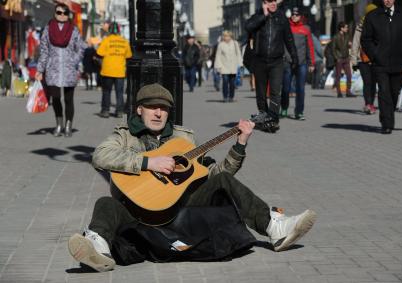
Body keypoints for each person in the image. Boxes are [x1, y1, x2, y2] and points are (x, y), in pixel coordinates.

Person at [67, 83, 317, 272]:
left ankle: (275, 227)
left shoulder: (184, 139)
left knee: (224, 182)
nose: (158, 113)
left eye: (163, 108)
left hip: (180, 208)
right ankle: (98, 250)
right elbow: (100, 156)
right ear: (139, 109)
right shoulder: (125, 135)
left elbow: (214, 176)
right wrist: (148, 162)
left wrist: (239, 145)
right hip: (137, 212)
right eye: (152, 107)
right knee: (105, 203)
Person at [361, 0, 402, 134]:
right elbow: (366, 39)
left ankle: (386, 116)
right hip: (380, 62)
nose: (388, 0)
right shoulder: (372, 16)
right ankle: (387, 123)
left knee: (394, 92)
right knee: (384, 91)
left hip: (398, 61)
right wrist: (375, 55)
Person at [245, 0, 298, 131]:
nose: (273, 4)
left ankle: (273, 119)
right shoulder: (257, 15)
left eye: (274, 1)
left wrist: (294, 56)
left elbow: (289, 39)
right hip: (260, 60)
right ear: (264, 3)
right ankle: (264, 116)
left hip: (277, 61)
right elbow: (248, 27)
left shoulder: (281, 17)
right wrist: (263, 15)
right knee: (261, 93)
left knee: (275, 92)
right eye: (269, 2)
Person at [35, 3, 85, 137]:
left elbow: (80, 48)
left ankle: (68, 125)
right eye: (59, 12)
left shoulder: (73, 30)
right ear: (54, 13)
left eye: (65, 13)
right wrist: (40, 69)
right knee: (56, 98)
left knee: (69, 100)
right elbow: (44, 50)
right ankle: (59, 123)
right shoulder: (48, 29)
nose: (62, 15)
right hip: (53, 70)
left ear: (68, 15)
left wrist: (73, 61)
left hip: (69, 70)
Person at [280, 7, 315, 120]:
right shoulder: (286, 28)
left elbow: (310, 46)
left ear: (301, 16)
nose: (294, 16)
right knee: (285, 88)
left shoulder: (306, 29)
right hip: (288, 62)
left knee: (300, 89)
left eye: (297, 15)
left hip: (302, 63)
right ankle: (284, 108)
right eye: (293, 14)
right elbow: (281, 44)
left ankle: (299, 112)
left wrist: (311, 63)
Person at [96, 22, 132, 118]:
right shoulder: (124, 41)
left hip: (107, 71)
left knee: (106, 91)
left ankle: (105, 111)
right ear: (119, 31)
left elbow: (99, 53)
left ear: (110, 30)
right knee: (119, 92)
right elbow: (128, 56)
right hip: (120, 71)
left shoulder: (106, 40)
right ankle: (119, 111)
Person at [351, 3, 378, 115]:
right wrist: (354, 60)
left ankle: (371, 103)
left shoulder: (380, 25)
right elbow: (355, 43)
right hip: (363, 59)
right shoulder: (360, 26)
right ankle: (368, 104)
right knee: (367, 82)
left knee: (373, 83)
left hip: (376, 58)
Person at [214, 30, 243, 102]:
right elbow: (218, 56)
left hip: (233, 66)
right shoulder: (221, 44)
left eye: (228, 36)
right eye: (225, 36)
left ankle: (231, 96)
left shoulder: (235, 43)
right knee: (225, 82)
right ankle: (225, 97)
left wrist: (240, 64)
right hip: (224, 66)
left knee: (232, 83)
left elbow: (238, 54)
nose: (226, 38)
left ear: (230, 36)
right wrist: (218, 66)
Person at [332, 22, 355, 98]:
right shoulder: (335, 37)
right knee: (338, 76)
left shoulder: (347, 36)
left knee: (349, 75)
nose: (347, 29)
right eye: (345, 27)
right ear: (341, 28)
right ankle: (339, 92)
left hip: (346, 58)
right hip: (339, 58)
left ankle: (348, 91)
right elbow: (333, 49)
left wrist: (350, 45)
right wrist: (337, 58)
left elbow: (348, 45)